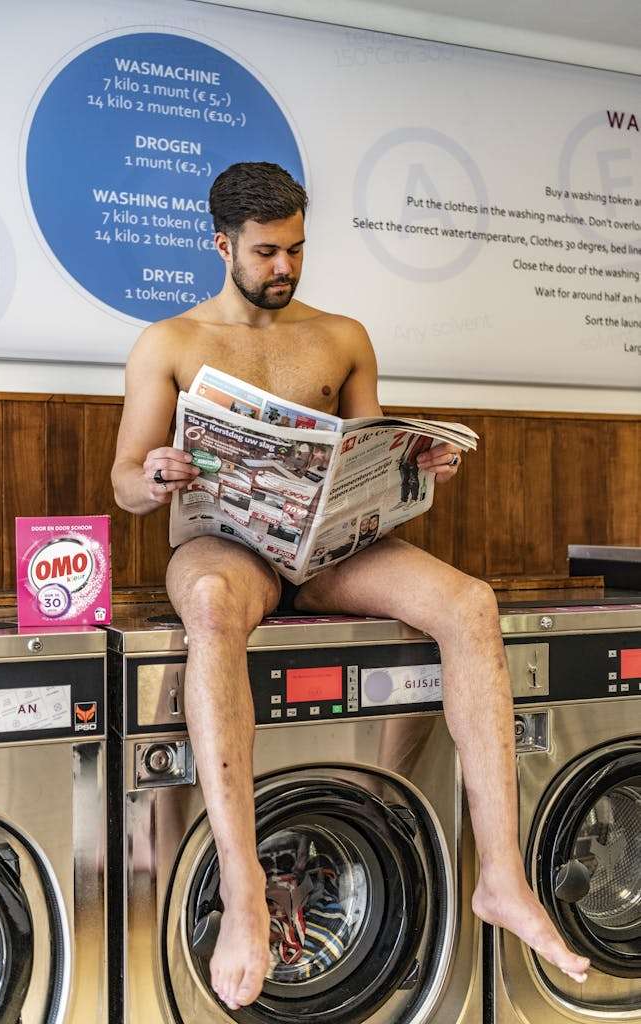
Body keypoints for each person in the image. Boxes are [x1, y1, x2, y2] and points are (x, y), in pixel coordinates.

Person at [111, 161, 589, 1012]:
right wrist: (154, 474)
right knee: (213, 608)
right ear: (219, 244)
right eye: (264, 252)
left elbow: (367, 459)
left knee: (469, 602)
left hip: (329, 551)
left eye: (295, 248)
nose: (283, 267)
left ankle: (503, 879)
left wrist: (416, 467)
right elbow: (123, 480)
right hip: (225, 548)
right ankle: (244, 886)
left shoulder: (342, 337)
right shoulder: (170, 343)